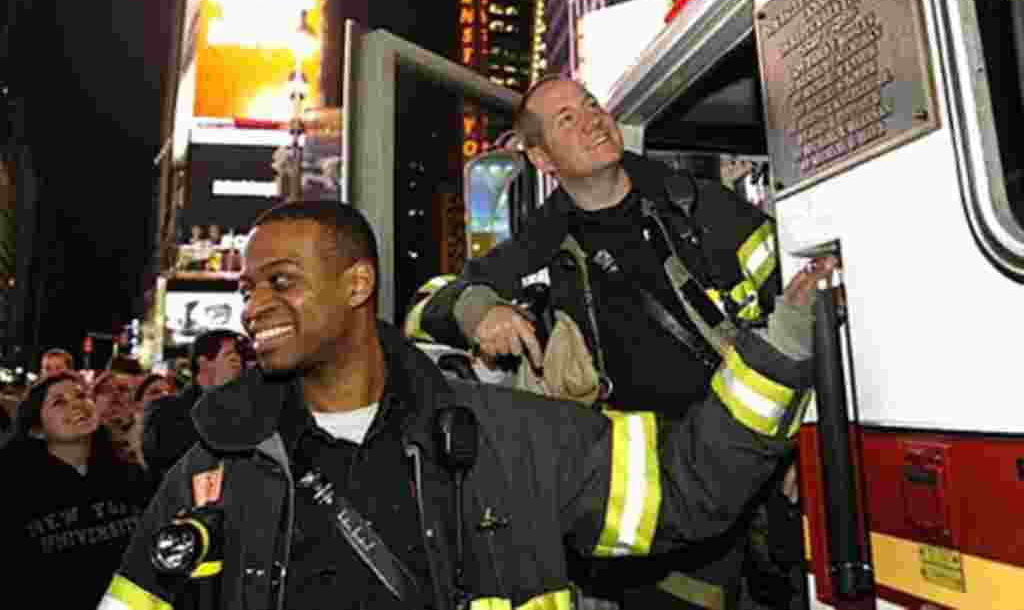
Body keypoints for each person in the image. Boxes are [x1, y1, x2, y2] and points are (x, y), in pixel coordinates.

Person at [99, 200, 826, 610]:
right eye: (247, 288)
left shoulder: (510, 438)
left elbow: (686, 487)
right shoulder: (213, 472)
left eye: (280, 281)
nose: (253, 306)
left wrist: (784, 344)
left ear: (358, 284)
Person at [421, 75, 816, 608]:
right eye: (566, 119)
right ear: (541, 159)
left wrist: (804, 441)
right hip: (659, 510)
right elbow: (434, 304)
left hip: (762, 464)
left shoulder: (698, 205)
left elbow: (800, 303)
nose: (590, 118)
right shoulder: (541, 243)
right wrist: (479, 310)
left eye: (590, 105)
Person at [1, 372, 154, 609]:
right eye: (59, 402)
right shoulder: (14, 489)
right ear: (37, 428)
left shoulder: (131, 476)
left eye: (82, 395)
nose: (77, 405)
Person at [141, 328, 245, 482]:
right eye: (230, 357)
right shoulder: (165, 409)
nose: (238, 364)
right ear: (203, 363)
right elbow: (166, 457)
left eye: (240, 358)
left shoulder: (242, 410)